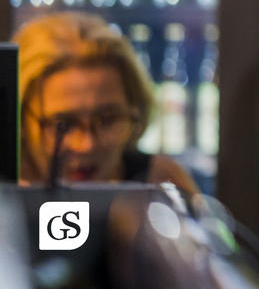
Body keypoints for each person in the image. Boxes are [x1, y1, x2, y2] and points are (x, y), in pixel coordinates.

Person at [14, 12, 197, 192]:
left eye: (107, 119)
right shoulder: (7, 196)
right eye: (63, 125)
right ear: (19, 122)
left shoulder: (160, 184)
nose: (86, 145)